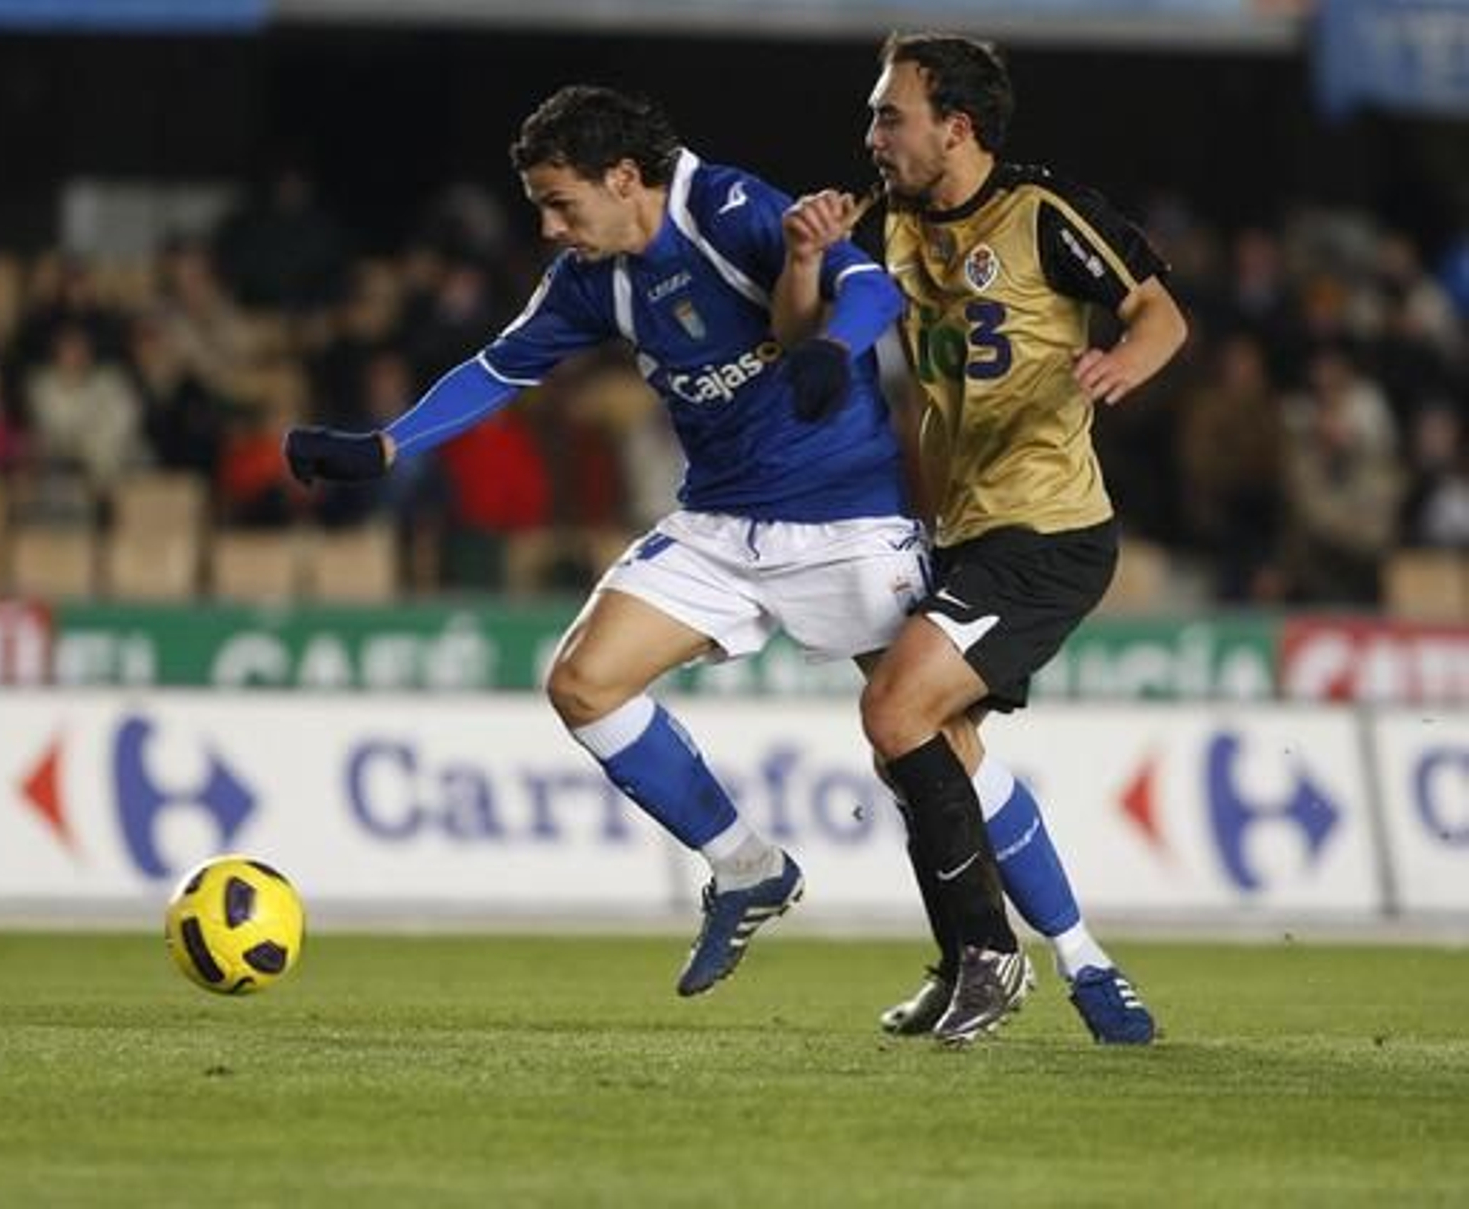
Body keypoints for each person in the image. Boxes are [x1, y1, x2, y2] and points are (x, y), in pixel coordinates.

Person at [283, 86, 1126, 1035]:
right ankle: (747, 865)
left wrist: (829, 353)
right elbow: (499, 367)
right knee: (582, 682)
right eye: (541, 211)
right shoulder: (591, 278)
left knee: (938, 754)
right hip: (720, 524)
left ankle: (1086, 958)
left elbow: (867, 285)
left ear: (624, 178)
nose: (552, 229)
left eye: (563, 205)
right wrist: (384, 446)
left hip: (844, 520)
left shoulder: (721, 208)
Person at [793, 33, 1187, 1043]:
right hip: (959, 532)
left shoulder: (1040, 214)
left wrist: (1124, 365)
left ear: (954, 126)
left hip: (1049, 531)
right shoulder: (880, 226)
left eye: (890, 114)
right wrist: (805, 258)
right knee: (933, 753)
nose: (870, 133)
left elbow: (1156, 312)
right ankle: (1089, 970)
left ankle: (986, 958)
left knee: (893, 712)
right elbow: (799, 338)